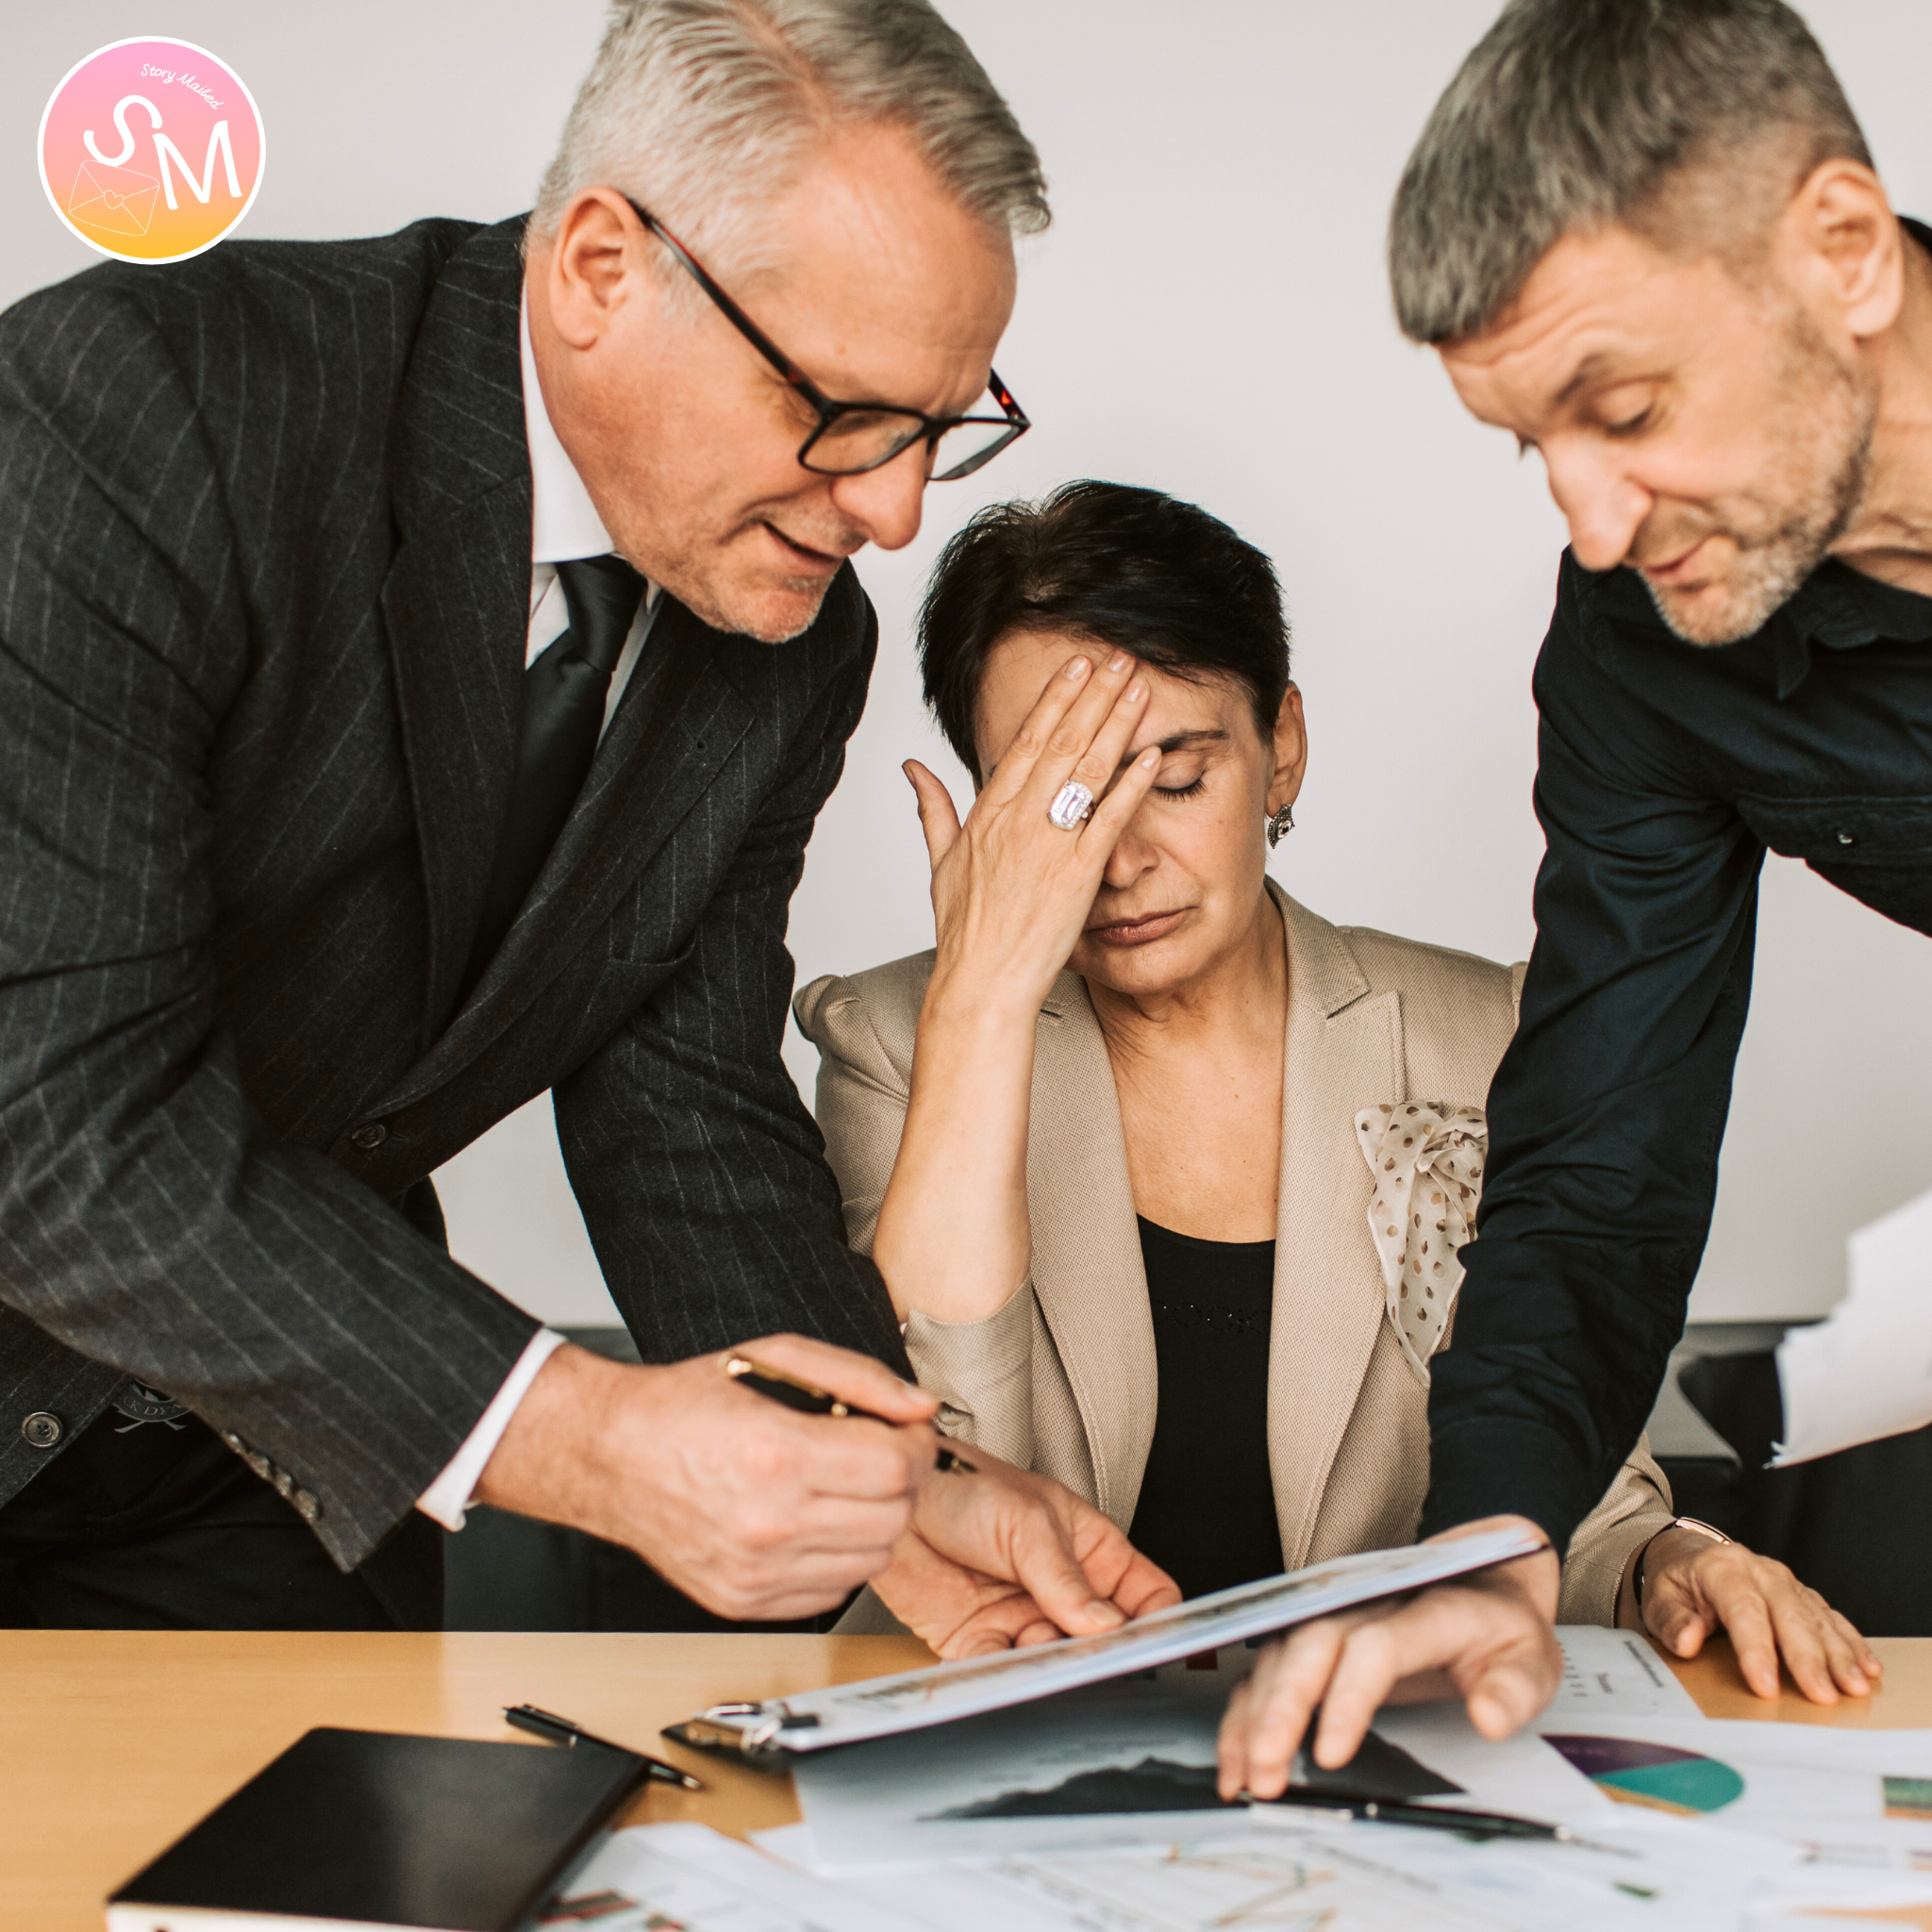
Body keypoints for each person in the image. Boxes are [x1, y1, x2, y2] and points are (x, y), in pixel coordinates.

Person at [0, 0, 1173, 1649]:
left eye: (944, 427)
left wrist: (883, 1481)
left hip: (262, 1458)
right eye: (846, 412)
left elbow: (678, 1099)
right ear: (604, 267)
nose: (898, 512)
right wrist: (588, 1437)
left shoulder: (789, 634)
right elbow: (49, 1120)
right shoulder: (137, 410)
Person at [791, 479, 1874, 1780]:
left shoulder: (1485, 1035)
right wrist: (981, 1003)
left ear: (1281, 749)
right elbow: (939, 1480)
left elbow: (1557, 1498)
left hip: (1372, 1773)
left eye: (1177, 777)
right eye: (1062, 803)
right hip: (989, 1763)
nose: (1123, 858)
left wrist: (1671, 1565)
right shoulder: (898, 1041)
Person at [1215, 0, 1932, 1793]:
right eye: (1532, 445)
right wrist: (1494, 1542)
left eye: (1622, 412)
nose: (1595, 525)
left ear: (1842, 250)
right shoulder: (1641, 644)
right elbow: (1601, 1156)